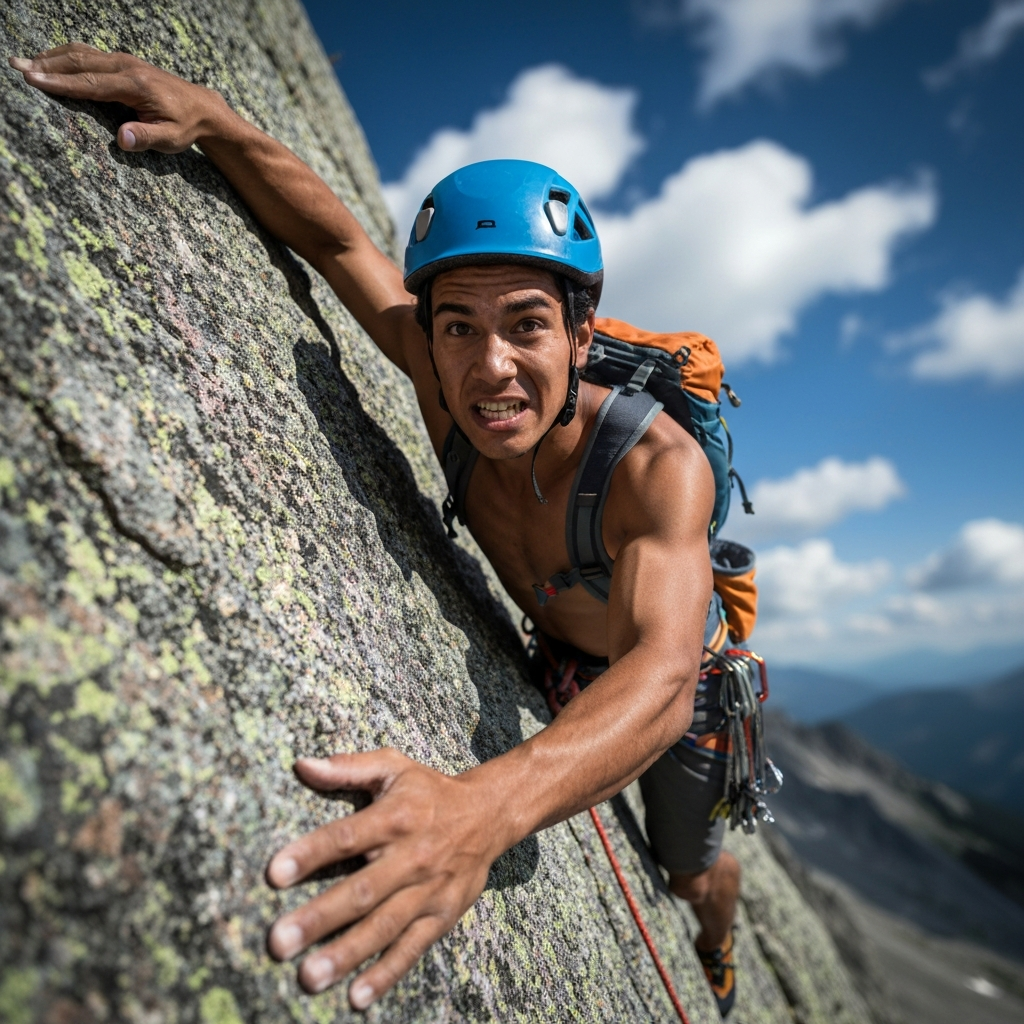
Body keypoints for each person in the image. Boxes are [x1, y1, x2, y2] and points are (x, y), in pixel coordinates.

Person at [11, 44, 741, 1017]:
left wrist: (480, 810)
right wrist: (220, 123)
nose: (489, 370)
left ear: (580, 330)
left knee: (686, 866)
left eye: (526, 325)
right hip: (557, 636)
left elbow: (658, 677)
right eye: (457, 326)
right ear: (430, 327)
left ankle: (717, 926)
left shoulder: (655, 469)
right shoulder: (440, 382)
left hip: (668, 692)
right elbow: (339, 245)